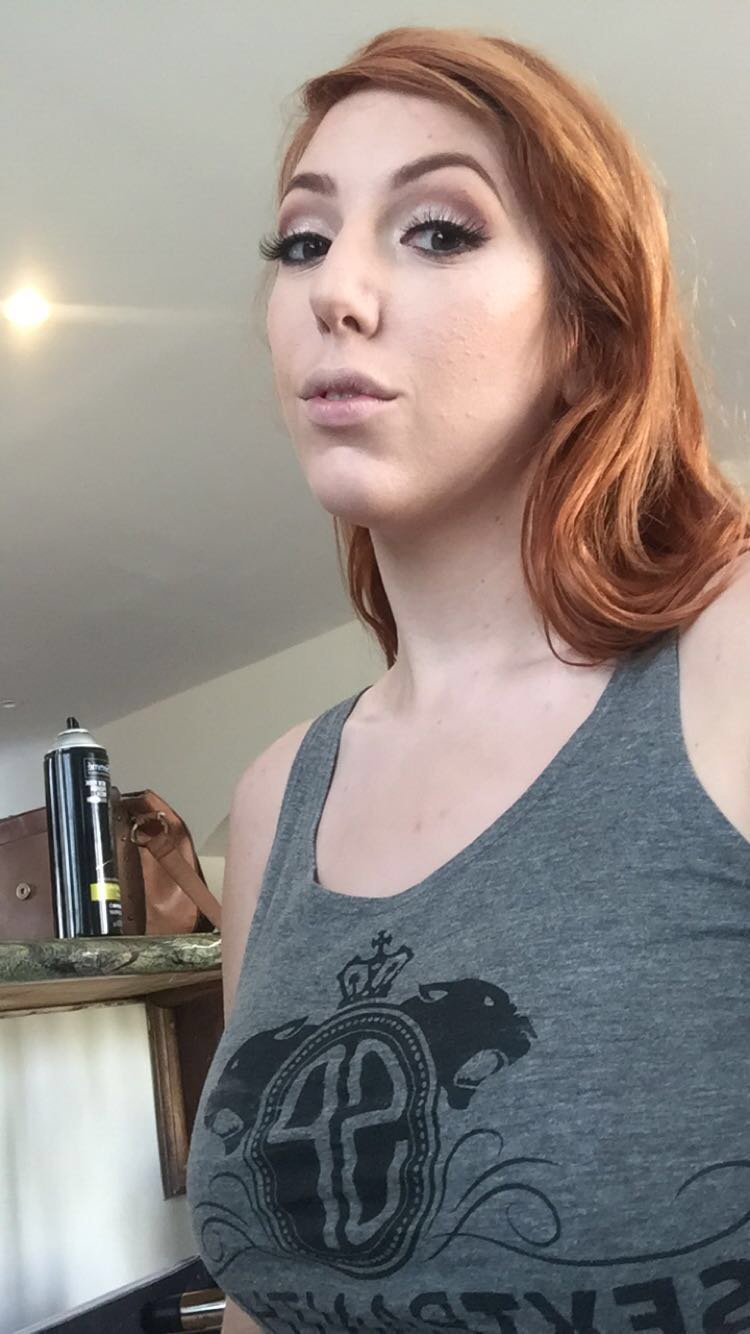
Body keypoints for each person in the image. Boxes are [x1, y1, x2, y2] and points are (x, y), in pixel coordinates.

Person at [186, 25, 750, 1333]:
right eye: (301, 241)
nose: (336, 292)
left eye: (437, 230)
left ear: (588, 332)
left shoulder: (728, 671)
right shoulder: (274, 799)